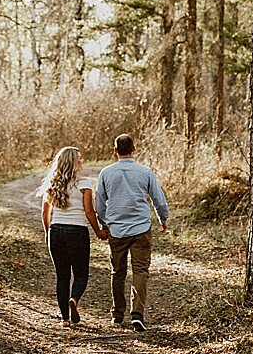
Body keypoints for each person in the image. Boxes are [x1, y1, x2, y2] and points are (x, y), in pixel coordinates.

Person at [95, 134, 169, 331]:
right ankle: (137, 313)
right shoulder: (145, 172)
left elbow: (100, 205)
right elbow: (158, 200)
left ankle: (117, 314)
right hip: (141, 229)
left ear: (115, 150)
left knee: (117, 271)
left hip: (117, 229)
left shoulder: (106, 173)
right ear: (134, 149)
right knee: (140, 271)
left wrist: (105, 225)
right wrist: (163, 220)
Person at [40, 147, 108, 328]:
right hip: (77, 232)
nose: (82, 160)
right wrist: (99, 231)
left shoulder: (51, 184)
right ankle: (74, 299)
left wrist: (49, 233)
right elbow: (89, 212)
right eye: (79, 158)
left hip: (56, 231)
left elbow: (45, 213)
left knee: (62, 277)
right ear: (73, 162)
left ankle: (65, 319)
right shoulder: (84, 184)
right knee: (81, 274)